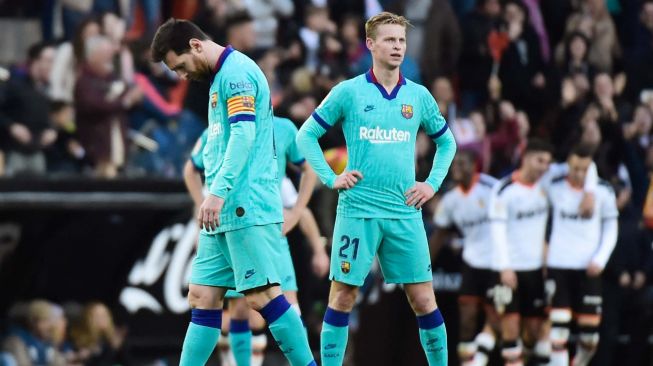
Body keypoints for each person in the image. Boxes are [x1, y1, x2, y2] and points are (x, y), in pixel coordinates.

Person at [150, 18, 316, 366]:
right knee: (202, 296)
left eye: (181, 66)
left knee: (263, 297)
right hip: (224, 210)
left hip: (244, 206)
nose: (182, 75)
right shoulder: (218, 80)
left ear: (196, 45)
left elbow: (243, 136)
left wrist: (217, 192)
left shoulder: (237, 74)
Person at [296, 12, 457, 366]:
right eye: (389, 40)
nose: (397, 46)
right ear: (370, 44)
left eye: (401, 40)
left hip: (404, 212)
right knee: (342, 297)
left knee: (424, 300)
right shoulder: (349, 92)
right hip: (358, 211)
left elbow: (448, 144)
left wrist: (431, 184)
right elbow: (305, 134)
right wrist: (329, 177)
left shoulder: (419, 96)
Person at [183, 117, 329, 366]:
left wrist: (306, 232)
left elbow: (306, 178)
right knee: (236, 307)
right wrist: (202, 204)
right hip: (231, 227)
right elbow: (190, 170)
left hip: (261, 227)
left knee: (282, 303)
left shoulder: (279, 132)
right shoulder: (216, 130)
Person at [488, 139, 597, 366]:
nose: (544, 167)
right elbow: (496, 231)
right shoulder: (504, 189)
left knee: (534, 331)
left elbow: (587, 161)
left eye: (548, 162)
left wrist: (590, 190)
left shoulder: (546, 180)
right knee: (509, 328)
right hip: (508, 270)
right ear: (526, 157)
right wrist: (504, 267)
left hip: (537, 270)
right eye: (540, 161)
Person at [546, 144, 618, 366]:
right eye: (574, 168)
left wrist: (600, 259)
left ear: (591, 169)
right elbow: (548, 170)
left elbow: (611, 228)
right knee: (558, 330)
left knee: (590, 339)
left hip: (589, 268)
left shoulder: (604, 191)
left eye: (584, 169)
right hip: (558, 265)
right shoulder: (554, 186)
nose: (578, 173)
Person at [432, 150, 499, 366]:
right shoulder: (450, 200)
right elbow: (439, 235)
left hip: (498, 262)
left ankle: (480, 357)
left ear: (474, 164)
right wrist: (420, 267)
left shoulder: (492, 188)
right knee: (467, 318)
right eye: (454, 164)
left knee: (498, 319)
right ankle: (468, 362)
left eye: (462, 163)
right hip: (472, 262)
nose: (456, 168)